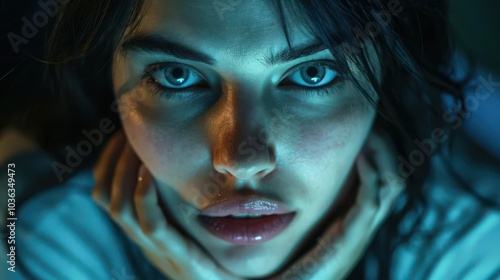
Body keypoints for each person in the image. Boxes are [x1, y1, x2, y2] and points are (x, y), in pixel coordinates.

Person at [7, 0, 499, 279]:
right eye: (177, 75)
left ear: (385, 83)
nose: (241, 160)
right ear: (109, 81)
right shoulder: (32, 238)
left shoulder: (478, 248)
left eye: (311, 73)